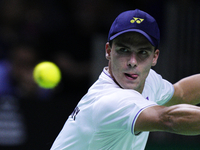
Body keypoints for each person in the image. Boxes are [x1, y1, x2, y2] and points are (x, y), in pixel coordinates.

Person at [50, 9, 200, 150]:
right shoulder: (110, 101)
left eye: (142, 52)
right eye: (124, 50)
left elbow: (181, 94)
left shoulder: (146, 79)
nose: (132, 61)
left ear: (155, 57)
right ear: (108, 51)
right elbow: (169, 118)